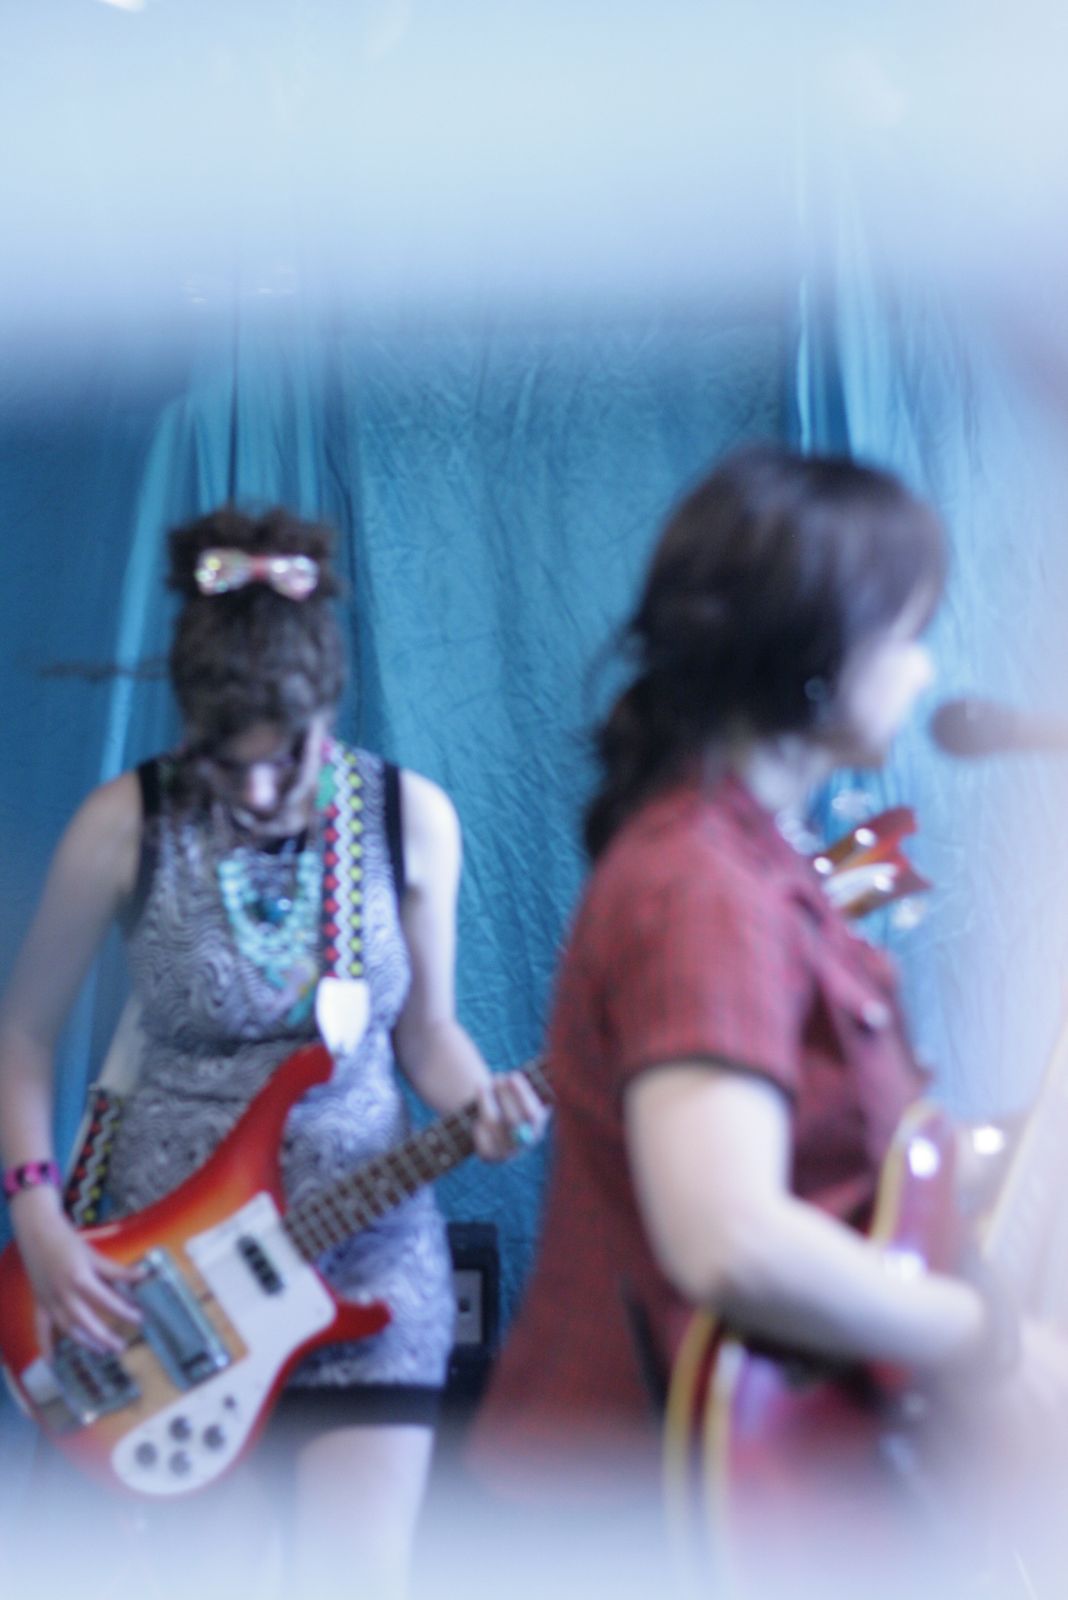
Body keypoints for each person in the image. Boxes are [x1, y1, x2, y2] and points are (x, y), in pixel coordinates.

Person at [467, 445, 1068, 1594]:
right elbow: (729, 1236)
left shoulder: (765, 868)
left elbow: (847, 1175)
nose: (926, 669)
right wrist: (982, 1340)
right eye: (908, 634)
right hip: (638, 1506)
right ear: (819, 651)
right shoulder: (703, 884)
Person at [0, 506, 547, 1599]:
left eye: (284, 759)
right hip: (174, 1287)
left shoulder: (412, 820)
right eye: (224, 761)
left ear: (328, 706)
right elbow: (21, 1033)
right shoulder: (122, 823)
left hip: (370, 1258)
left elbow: (428, 1035)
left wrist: (484, 1106)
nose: (255, 793)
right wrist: (40, 1221)